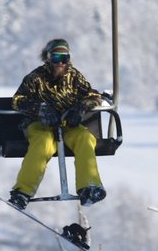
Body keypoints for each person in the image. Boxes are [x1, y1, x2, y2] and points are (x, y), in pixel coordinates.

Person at [8, 38, 106, 209]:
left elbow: (92, 95)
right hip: (40, 124)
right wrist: (40, 109)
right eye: (56, 58)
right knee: (44, 144)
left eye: (64, 58)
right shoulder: (35, 78)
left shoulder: (74, 76)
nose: (60, 63)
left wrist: (81, 107)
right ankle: (22, 192)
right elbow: (18, 100)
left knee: (85, 138)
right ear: (47, 58)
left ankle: (89, 186)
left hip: (67, 124)